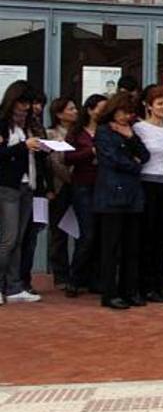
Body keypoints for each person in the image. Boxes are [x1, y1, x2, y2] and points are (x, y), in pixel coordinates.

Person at [93, 93, 150, 310]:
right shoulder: (104, 132)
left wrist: (130, 137)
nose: (126, 117)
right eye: (123, 112)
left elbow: (144, 156)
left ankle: (130, 290)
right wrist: (133, 164)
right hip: (112, 194)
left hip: (133, 194)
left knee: (131, 246)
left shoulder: (131, 131)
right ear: (113, 111)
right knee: (111, 247)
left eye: (129, 113)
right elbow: (112, 159)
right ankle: (110, 293)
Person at [0, 81, 43, 304]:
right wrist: (23, 146)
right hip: (8, 186)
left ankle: (14, 286)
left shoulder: (28, 125)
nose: (26, 108)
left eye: (29, 103)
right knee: (8, 238)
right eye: (23, 103)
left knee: (19, 239)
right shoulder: (3, 125)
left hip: (28, 185)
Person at [133, 85, 163, 303]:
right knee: (146, 236)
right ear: (148, 106)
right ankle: (145, 285)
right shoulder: (139, 129)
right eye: (159, 103)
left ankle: (161, 284)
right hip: (146, 183)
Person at [65, 94, 107, 297]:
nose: (103, 111)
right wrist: (91, 151)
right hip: (83, 185)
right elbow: (67, 157)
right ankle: (75, 278)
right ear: (90, 110)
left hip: (103, 186)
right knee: (87, 234)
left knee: (100, 234)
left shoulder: (107, 130)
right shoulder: (77, 132)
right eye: (100, 107)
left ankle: (95, 279)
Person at [19, 91, 53, 294]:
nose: (38, 108)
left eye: (41, 104)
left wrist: (49, 187)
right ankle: (12, 279)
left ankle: (25, 279)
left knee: (32, 234)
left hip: (38, 187)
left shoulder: (38, 127)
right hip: (20, 184)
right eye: (35, 103)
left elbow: (45, 163)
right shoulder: (17, 126)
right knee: (15, 236)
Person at [46, 97, 78, 288]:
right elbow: (54, 163)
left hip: (80, 186)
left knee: (81, 230)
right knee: (59, 232)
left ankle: (79, 273)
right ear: (59, 114)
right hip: (60, 187)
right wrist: (70, 178)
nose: (75, 111)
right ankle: (61, 275)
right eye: (71, 108)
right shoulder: (50, 134)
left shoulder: (80, 133)